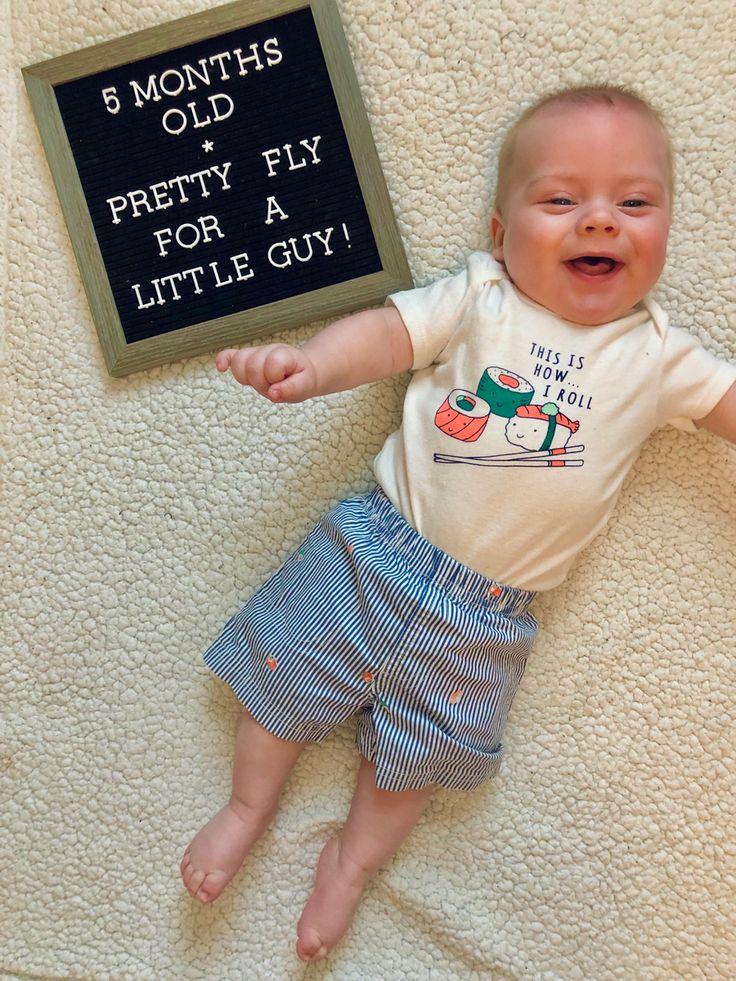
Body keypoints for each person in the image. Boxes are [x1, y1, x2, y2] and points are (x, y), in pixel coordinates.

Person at [180, 85, 736, 961]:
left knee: (418, 758)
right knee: (280, 681)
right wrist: (312, 363)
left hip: (487, 615)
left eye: (634, 203)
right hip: (374, 549)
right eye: (561, 200)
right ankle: (247, 807)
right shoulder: (479, 300)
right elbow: (386, 338)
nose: (599, 222)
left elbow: (728, 404)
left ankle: (352, 865)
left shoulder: (660, 356)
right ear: (499, 232)